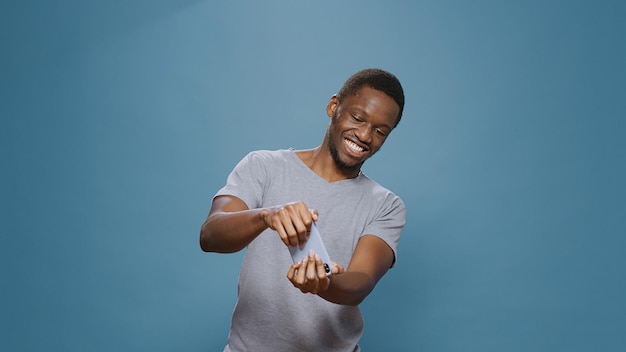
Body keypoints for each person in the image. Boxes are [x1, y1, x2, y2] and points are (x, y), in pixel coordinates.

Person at [200, 68, 406, 352]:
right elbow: (210, 235)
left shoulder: (386, 205)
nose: (364, 135)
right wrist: (266, 216)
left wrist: (324, 283)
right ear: (334, 106)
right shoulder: (263, 166)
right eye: (357, 118)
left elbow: (361, 282)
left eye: (380, 131)